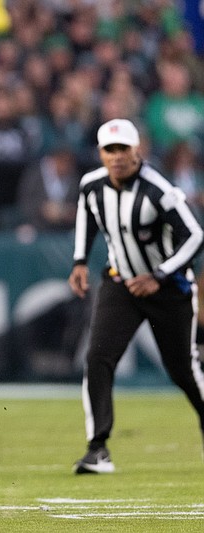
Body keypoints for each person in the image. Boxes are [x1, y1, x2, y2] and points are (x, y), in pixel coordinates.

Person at [68, 118, 204, 474]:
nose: (116, 157)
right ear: (100, 153)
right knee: (98, 357)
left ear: (136, 150)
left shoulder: (158, 190)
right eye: (109, 150)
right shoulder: (92, 185)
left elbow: (195, 235)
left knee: (182, 370)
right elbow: (87, 215)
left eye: (122, 149)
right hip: (121, 284)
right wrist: (80, 260)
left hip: (168, 289)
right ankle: (98, 448)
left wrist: (160, 275)